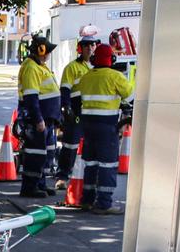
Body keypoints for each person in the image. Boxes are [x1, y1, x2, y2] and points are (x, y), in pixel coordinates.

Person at [71, 44, 134, 214]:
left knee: (90, 163)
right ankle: (104, 204)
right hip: (107, 127)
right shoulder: (116, 77)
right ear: (111, 59)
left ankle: (87, 200)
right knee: (108, 165)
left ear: (93, 59)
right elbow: (132, 98)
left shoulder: (85, 77)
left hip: (88, 127)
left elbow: (75, 100)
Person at [15, 35, 62, 198]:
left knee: (45, 154)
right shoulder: (31, 68)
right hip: (37, 121)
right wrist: (38, 119)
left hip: (47, 119)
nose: (48, 53)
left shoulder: (40, 66)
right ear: (40, 50)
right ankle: (29, 187)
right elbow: (31, 97)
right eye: (47, 50)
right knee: (35, 154)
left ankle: (39, 184)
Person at [56, 31, 101, 190]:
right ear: (80, 49)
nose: (90, 48)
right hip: (75, 111)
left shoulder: (98, 67)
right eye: (86, 45)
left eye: (92, 45)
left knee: (90, 146)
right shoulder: (72, 67)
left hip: (92, 112)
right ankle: (62, 176)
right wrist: (66, 108)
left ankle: (87, 178)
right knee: (70, 145)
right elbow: (65, 89)